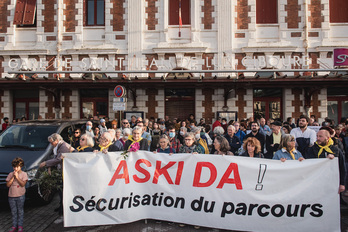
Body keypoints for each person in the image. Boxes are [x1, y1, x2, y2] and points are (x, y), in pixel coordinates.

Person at [39, 133, 75, 215]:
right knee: (60, 190)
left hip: (64, 171)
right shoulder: (58, 146)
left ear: (57, 140)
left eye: (52, 142)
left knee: (62, 190)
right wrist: (50, 167)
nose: (51, 144)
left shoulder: (64, 147)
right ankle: (61, 206)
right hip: (60, 170)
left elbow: (59, 159)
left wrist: (46, 163)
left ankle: (63, 208)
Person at [307, 129, 346, 194]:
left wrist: (342, 183)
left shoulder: (336, 150)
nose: (318, 138)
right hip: (316, 181)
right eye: (317, 136)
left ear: (327, 138)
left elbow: (342, 167)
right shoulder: (311, 150)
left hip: (332, 181)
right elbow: (308, 164)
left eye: (320, 136)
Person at [6, 157, 28, 232]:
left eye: (17, 167)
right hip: (11, 196)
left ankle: (20, 226)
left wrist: (17, 177)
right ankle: (14, 225)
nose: (15, 168)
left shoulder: (24, 174)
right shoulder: (10, 174)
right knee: (13, 211)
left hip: (20, 196)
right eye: (14, 167)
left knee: (20, 211)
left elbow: (23, 184)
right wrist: (13, 177)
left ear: (20, 166)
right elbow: (8, 185)